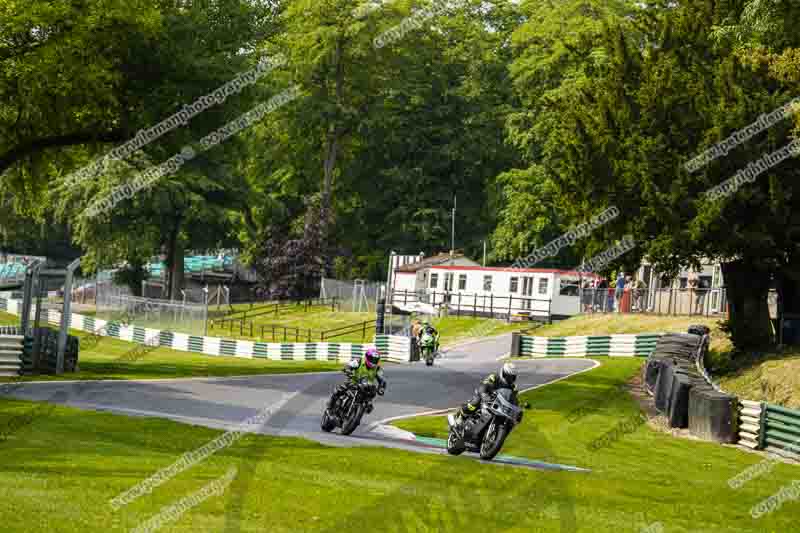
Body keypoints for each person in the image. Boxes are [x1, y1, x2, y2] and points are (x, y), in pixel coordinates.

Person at [454, 362, 519, 425]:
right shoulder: (494, 377)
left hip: (498, 404)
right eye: (508, 376)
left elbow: (513, 399)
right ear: (503, 373)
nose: (509, 379)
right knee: (475, 403)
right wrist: (485, 394)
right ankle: (461, 415)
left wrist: (516, 408)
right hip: (485, 396)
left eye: (512, 377)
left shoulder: (512, 387)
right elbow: (484, 386)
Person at [326, 348, 387, 414]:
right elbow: (349, 365)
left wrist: (381, 388)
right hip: (353, 382)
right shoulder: (359, 361)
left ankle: (364, 407)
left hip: (366, 387)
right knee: (339, 390)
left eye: (375, 360)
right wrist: (348, 370)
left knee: (371, 399)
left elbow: (382, 380)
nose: (373, 361)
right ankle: (330, 405)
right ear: (367, 357)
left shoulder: (377, 369)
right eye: (371, 359)